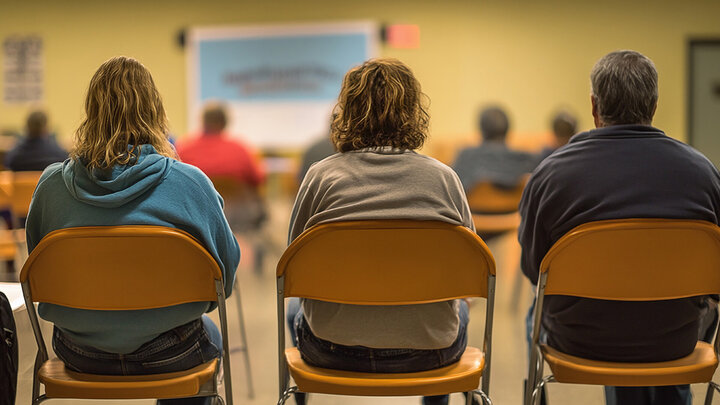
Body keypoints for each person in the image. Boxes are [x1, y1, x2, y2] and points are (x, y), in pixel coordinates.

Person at [26, 56, 240, 405]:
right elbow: (223, 282)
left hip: (78, 353)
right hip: (172, 353)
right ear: (155, 111)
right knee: (209, 336)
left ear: (91, 112)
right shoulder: (191, 183)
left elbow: (37, 273)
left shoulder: (50, 187)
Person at [519, 50, 720, 405]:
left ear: (594, 107)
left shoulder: (551, 174)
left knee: (538, 311)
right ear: (654, 106)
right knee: (665, 313)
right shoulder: (703, 174)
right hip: (675, 339)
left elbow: (535, 270)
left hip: (581, 340)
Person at [287, 58, 475, 405]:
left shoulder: (319, 177)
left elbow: (291, 271)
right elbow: (467, 277)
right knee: (459, 308)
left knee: (291, 310)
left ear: (346, 111)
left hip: (332, 348)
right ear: (413, 111)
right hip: (430, 352)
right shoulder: (444, 179)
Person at [177, 103, 265, 188]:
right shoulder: (239, 149)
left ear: (203, 122)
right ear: (225, 123)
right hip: (235, 202)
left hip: (196, 202)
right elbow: (258, 179)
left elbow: (176, 179)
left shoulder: (184, 149)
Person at [451, 106, 537, 191]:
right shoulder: (528, 161)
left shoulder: (466, 158)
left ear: (482, 129)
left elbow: (452, 189)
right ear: (507, 129)